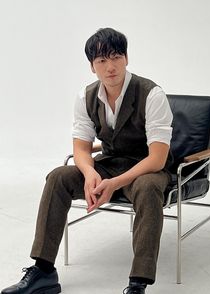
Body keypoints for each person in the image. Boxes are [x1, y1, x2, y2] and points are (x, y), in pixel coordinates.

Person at [1, 28, 173, 294]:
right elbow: (81, 148)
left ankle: (138, 282)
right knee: (59, 175)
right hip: (110, 161)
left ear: (126, 57)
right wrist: (90, 172)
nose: (110, 66)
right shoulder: (86, 96)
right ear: (92, 66)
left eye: (115, 57)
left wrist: (114, 183)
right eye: (101, 61)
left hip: (146, 167)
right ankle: (44, 271)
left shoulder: (152, 94)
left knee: (148, 187)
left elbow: (157, 157)